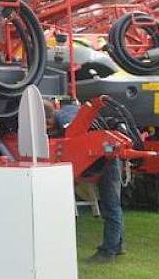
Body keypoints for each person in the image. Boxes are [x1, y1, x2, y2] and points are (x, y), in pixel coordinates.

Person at [43, 99, 124, 263]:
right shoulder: (66, 114)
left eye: (47, 125)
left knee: (111, 206)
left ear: (50, 118)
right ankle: (117, 245)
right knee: (112, 206)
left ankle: (108, 252)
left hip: (105, 157)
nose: (47, 129)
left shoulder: (67, 119)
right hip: (101, 157)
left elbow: (80, 140)